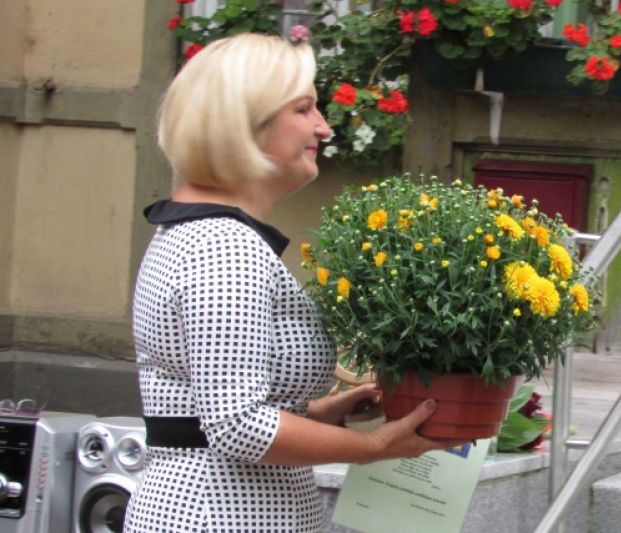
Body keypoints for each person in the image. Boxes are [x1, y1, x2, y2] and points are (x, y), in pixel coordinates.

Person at [124, 33, 455, 533]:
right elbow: (236, 425)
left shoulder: (201, 233)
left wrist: (323, 414)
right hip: (217, 514)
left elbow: (204, 413)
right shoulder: (222, 245)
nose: (323, 127)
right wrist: (372, 447)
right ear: (243, 122)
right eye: (303, 109)